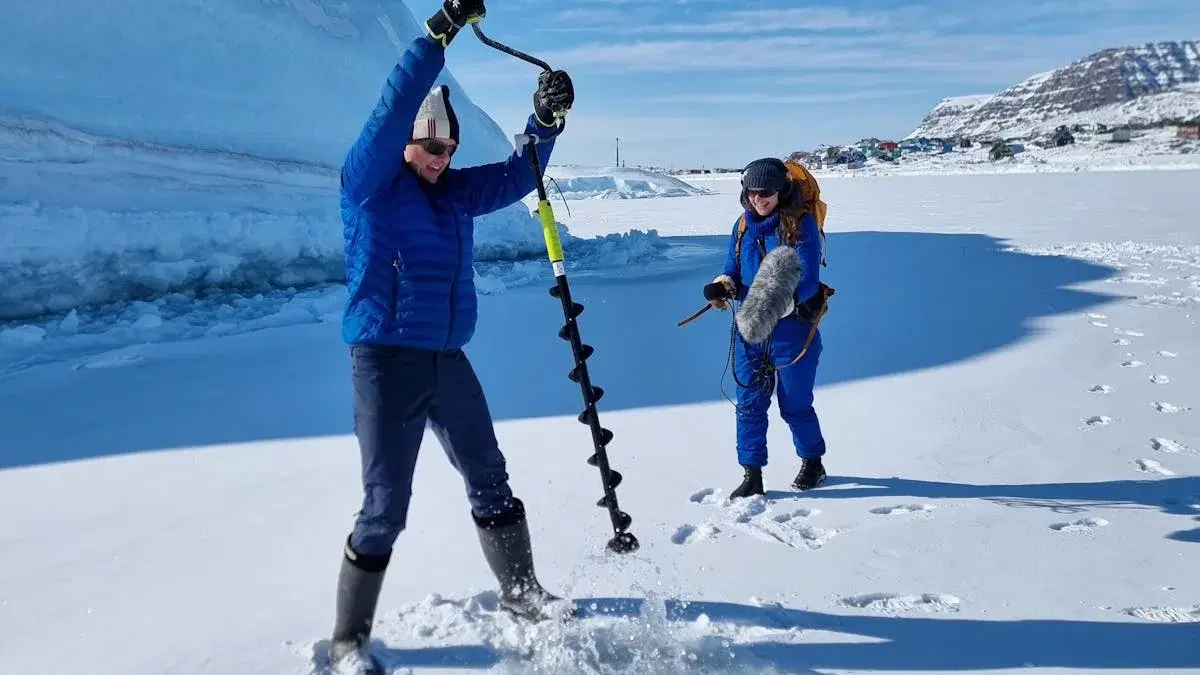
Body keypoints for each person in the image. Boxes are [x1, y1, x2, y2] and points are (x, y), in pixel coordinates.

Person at [328, 0, 576, 671]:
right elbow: (392, 106)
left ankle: (521, 593)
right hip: (385, 360)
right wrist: (439, 33)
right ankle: (349, 640)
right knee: (385, 506)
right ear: (407, 143)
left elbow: (520, 174)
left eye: (450, 149)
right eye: (431, 146)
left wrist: (545, 121)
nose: (441, 159)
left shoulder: (454, 195)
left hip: (448, 359)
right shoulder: (369, 186)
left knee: (489, 476)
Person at [705, 157, 829, 499]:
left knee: (795, 404)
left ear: (781, 190)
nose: (758, 199)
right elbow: (733, 267)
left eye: (766, 193)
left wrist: (775, 306)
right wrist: (723, 285)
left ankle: (813, 462)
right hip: (751, 331)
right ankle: (752, 474)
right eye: (751, 192)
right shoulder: (742, 225)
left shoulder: (800, 224)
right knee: (749, 403)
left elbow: (808, 280)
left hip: (793, 332)